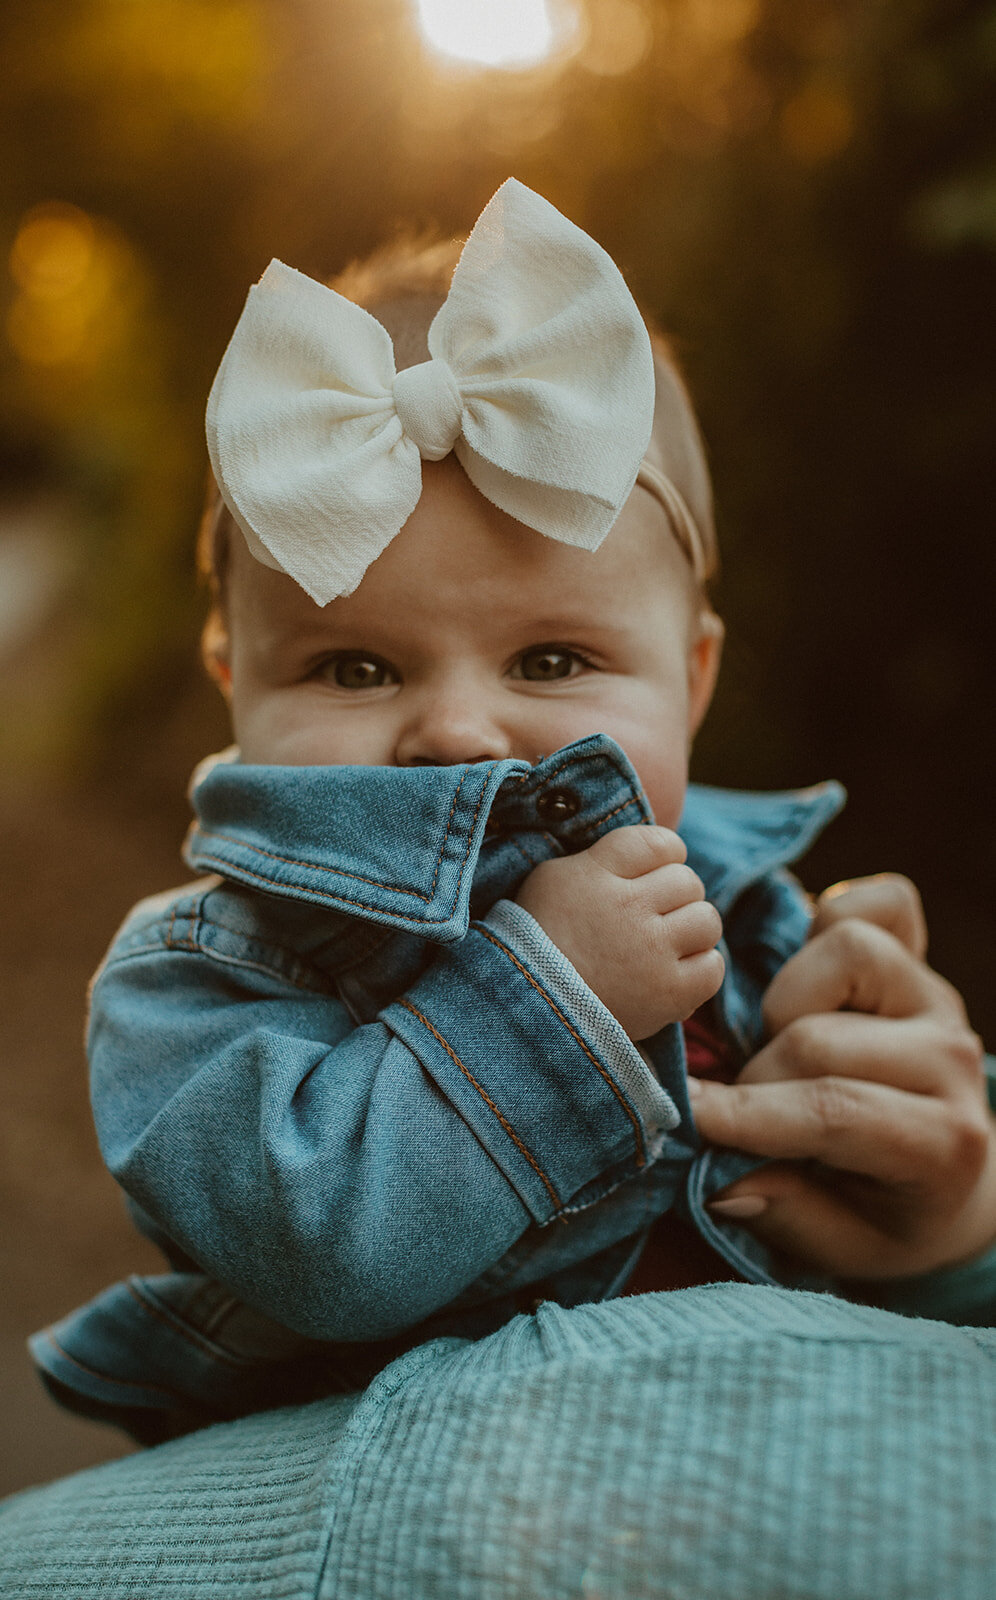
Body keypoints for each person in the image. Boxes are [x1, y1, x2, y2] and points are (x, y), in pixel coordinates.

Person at [28, 180, 996, 1448]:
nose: (459, 733)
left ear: (692, 680)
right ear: (235, 685)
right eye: (354, 667)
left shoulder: (772, 927)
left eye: (549, 660)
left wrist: (955, 1241)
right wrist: (552, 999)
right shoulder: (193, 982)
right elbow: (315, 1251)